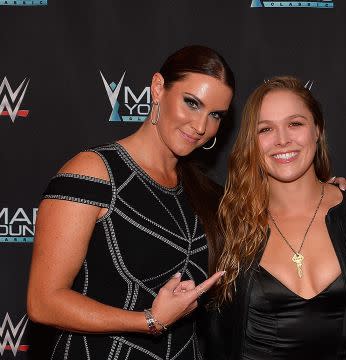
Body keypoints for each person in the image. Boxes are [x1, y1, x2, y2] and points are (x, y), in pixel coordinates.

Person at [26, 45, 232, 360]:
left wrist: (327, 192)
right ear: (159, 88)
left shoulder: (206, 193)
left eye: (215, 114)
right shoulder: (93, 171)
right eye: (191, 103)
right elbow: (44, 302)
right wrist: (149, 320)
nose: (201, 126)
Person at [206, 76, 346, 360]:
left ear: (317, 130)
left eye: (295, 124)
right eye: (266, 129)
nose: (282, 139)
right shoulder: (227, 225)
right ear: (252, 142)